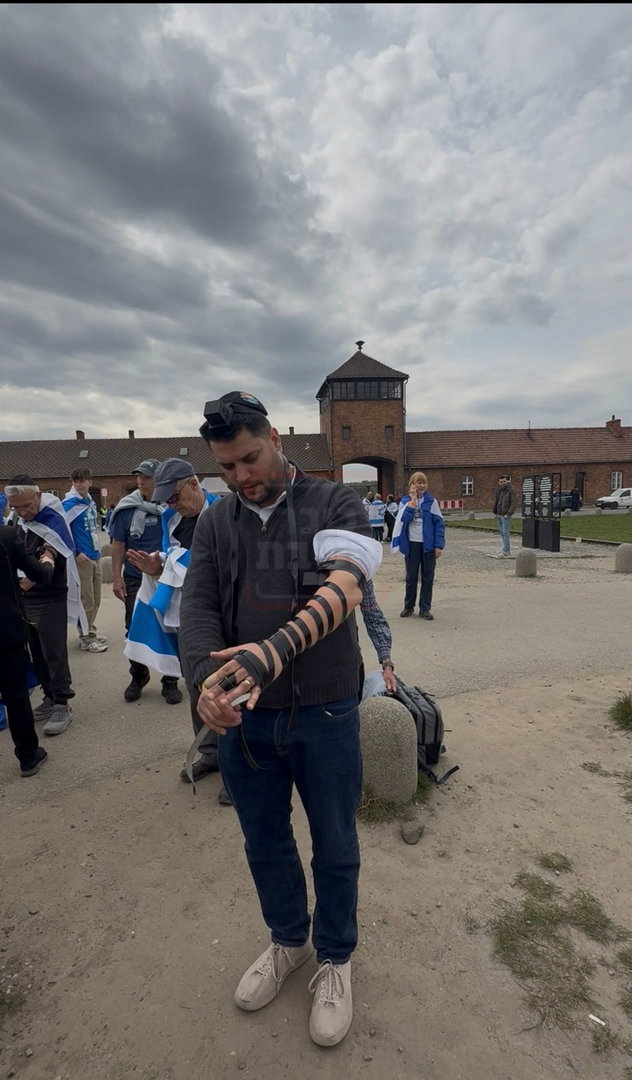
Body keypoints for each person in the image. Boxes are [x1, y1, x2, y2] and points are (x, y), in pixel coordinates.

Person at [180, 390, 382, 1048]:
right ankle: (289, 940)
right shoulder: (216, 521)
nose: (242, 477)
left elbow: (346, 585)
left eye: (250, 458)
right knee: (264, 843)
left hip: (326, 710)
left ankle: (335, 957)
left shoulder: (333, 502)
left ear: (275, 436)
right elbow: (200, 609)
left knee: (335, 844)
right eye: (227, 468)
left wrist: (271, 654)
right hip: (248, 723)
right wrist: (207, 688)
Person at [122, 458, 227, 800]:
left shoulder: (226, 512)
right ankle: (211, 754)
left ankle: (239, 769)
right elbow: (172, 561)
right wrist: (155, 567)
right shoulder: (171, 518)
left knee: (230, 691)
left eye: (175, 497)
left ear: (195, 484)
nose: (171, 505)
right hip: (188, 616)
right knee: (199, 687)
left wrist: (177, 565)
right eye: (166, 500)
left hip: (225, 615)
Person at [5, 476, 83, 735]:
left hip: (50, 596)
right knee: (36, 652)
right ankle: (49, 697)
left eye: (26, 505)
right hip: (25, 599)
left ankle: (62, 702)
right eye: (16, 507)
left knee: (53, 652)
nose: (23, 512)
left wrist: (36, 572)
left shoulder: (52, 519)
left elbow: (54, 550)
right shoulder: (17, 521)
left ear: (38, 496)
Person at [109, 460, 181, 705]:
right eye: (139, 477)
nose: (141, 481)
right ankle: (138, 676)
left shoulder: (172, 505)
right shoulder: (126, 508)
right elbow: (118, 543)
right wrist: (117, 577)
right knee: (134, 626)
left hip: (166, 578)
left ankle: (170, 680)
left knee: (170, 626)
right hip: (133, 579)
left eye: (147, 477)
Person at [0, 525, 56, 775]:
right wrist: (48, 558)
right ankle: (28, 755)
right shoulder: (7, 535)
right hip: (5, 630)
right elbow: (39, 573)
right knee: (15, 695)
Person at [63, 467, 107, 653]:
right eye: (76, 481)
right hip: (82, 558)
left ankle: (90, 629)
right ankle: (85, 638)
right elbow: (62, 531)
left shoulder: (90, 502)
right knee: (86, 599)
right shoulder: (69, 504)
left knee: (96, 598)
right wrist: (76, 552)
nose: (79, 484)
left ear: (90, 482)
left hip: (95, 553)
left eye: (83, 480)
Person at [392, 472, 445, 620]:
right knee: (411, 577)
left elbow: (439, 525)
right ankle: (409, 606)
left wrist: (438, 545)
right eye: (418, 483)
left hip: (427, 545)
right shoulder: (405, 501)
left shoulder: (431, 502)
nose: (421, 486)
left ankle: (425, 608)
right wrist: (413, 501)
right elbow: (404, 519)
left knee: (428, 578)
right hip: (412, 544)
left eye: (423, 483)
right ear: (412, 484)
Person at [493, 475, 517, 556]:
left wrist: (509, 513)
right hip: (499, 514)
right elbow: (497, 501)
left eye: (504, 481)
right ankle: (504, 548)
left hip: (506, 515)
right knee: (502, 533)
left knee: (505, 533)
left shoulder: (510, 490)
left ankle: (506, 550)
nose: (503, 483)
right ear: (499, 483)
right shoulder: (499, 491)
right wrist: (495, 512)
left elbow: (513, 503)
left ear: (506, 482)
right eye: (501, 482)